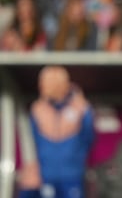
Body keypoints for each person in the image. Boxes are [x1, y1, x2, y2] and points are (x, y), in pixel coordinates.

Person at [18, 66, 95, 198]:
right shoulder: (38, 109)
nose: (43, 86)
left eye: (48, 82)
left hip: (72, 174)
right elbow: (33, 142)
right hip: (46, 175)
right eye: (43, 82)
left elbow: (88, 138)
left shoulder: (81, 108)